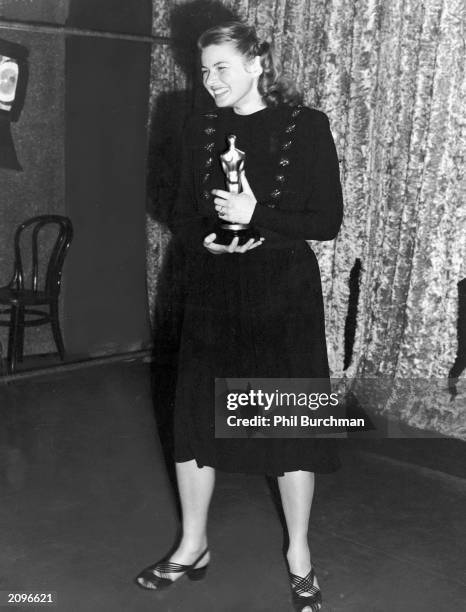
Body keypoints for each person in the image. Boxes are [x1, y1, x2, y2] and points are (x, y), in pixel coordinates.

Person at [136, 20, 343, 612]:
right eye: (203, 70)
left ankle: (299, 557)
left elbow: (326, 221)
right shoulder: (194, 124)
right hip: (210, 288)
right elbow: (176, 207)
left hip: (280, 293)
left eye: (221, 67)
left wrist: (260, 215)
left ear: (258, 63)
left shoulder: (307, 126)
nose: (210, 80)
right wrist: (203, 238)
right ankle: (192, 545)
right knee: (195, 418)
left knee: (290, 426)